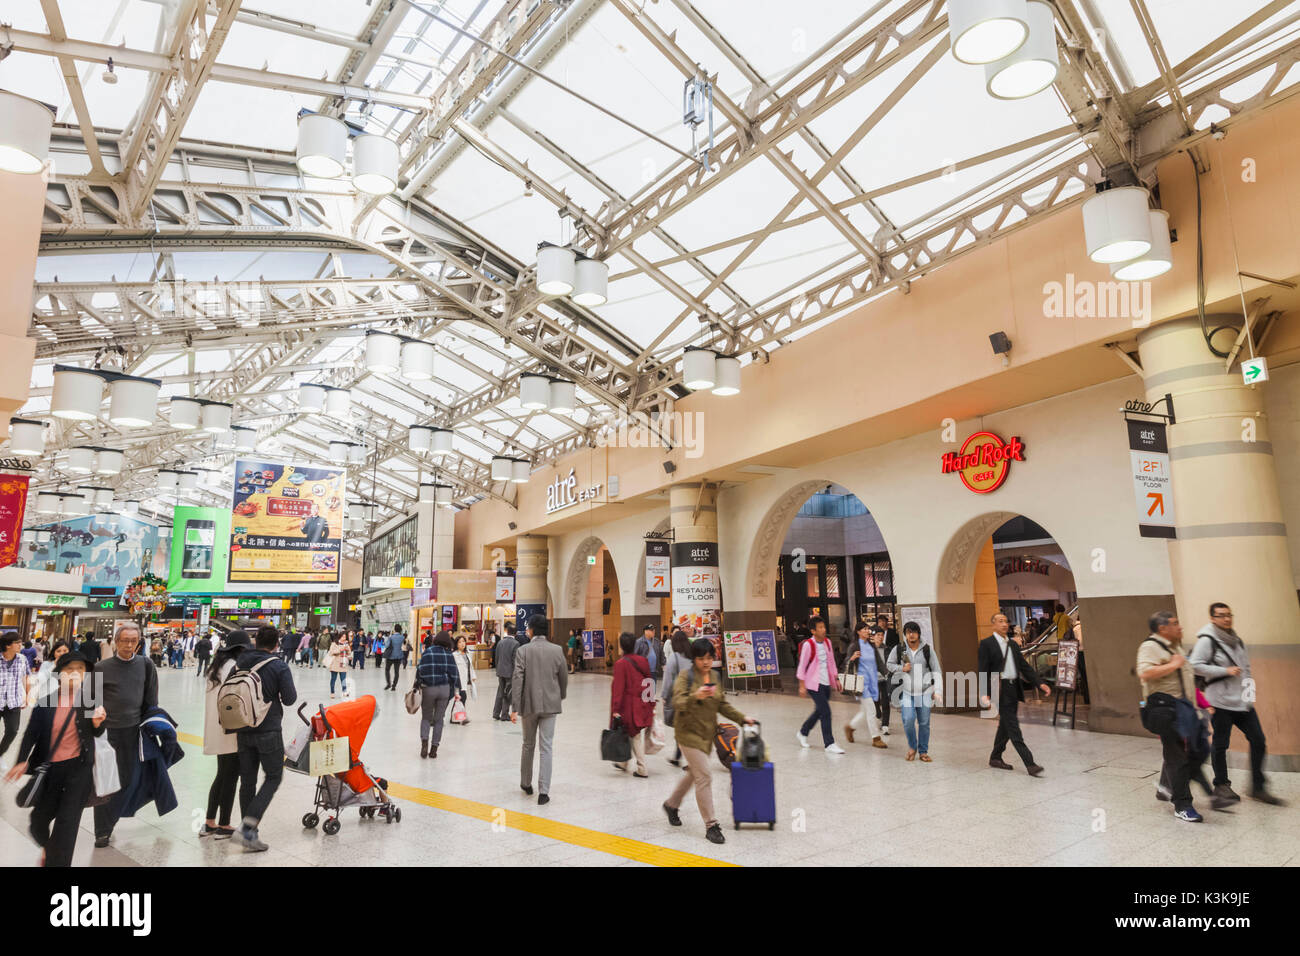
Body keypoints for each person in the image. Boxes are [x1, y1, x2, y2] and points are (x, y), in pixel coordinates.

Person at [4, 652, 107, 866]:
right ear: (59, 674)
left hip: (79, 771)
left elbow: (96, 732)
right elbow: (31, 733)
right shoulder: (46, 702)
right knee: (37, 822)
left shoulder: (89, 701)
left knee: (66, 827)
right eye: (70, 669)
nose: (75, 673)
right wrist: (22, 760)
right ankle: (49, 850)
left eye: (80, 669)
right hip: (50, 769)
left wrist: (99, 724)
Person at [1138, 611, 1230, 821]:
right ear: (1162, 628)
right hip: (1166, 711)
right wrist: (1174, 664)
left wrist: (1198, 706)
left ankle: (1170, 785)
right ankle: (1182, 805)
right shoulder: (1150, 646)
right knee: (1177, 756)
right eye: (1175, 623)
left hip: (1185, 710)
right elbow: (1145, 673)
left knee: (1201, 749)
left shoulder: (1175, 646)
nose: (1180, 627)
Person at [1189, 603, 1285, 806]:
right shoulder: (1207, 640)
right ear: (1212, 618)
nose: (1226, 619)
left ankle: (1258, 787)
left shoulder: (1236, 639)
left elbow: (1246, 669)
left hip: (1243, 702)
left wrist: (1249, 697)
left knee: (1258, 740)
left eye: (1229, 615)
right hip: (1221, 701)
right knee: (1221, 744)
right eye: (1221, 616)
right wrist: (1224, 671)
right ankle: (1222, 785)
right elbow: (1195, 666)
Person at [663, 638, 755, 845]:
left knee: (694, 775)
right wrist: (696, 695)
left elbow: (722, 704)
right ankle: (711, 825)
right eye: (701, 658)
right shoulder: (686, 676)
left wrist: (743, 719)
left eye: (709, 658)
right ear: (694, 659)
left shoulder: (714, 676)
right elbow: (677, 702)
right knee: (704, 775)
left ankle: (672, 804)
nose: (705, 662)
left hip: (707, 735)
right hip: (687, 734)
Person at [232, 625, 298, 852]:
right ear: (276, 644)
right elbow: (290, 699)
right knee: (273, 776)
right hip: (268, 729)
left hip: (242, 728)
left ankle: (249, 834)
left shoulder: (240, 662)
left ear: (256, 641)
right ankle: (248, 828)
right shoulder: (278, 666)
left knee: (247, 781)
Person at [93, 624, 159, 848]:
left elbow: (152, 700)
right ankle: (102, 831)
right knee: (106, 781)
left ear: (139, 643)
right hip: (107, 733)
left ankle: (111, 818)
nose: (129, 645)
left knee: (128, 780)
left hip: (134, 732)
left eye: (133, 641)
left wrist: (152, 727)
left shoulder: (146, 665)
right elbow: (88, 701)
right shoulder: (101, 667)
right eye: (125, 640)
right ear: (116, 642)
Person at [979, 612, 1049, 777]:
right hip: (999, 688)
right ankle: (1030, 764)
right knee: (1013, 725)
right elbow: (983, 670)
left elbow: (1024, 667)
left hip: (1013, 688)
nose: (1004, 624)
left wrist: (1040, 683)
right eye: (1000, 621)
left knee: (1006, 724)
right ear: (993, 625)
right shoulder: (986, 644)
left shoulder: (1012, 644)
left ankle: (995, 757)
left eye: (1006, 621)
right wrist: (984, 693)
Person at [510, 614, 567, 805]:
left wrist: (515, 707)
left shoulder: (523, 650)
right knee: (547, 746)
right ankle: (544, 791)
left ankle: (526, 783)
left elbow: (517, 679)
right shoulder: (557, 650)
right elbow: (563, 677)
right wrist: (560, 695)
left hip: (529, 705)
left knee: (528, 744)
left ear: (532, 630)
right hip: (550, 705)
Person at [200, 630, 249, 839]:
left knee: (221, 775)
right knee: (230, 776)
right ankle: (224, 824)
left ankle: (209, 822)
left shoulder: (216, 667)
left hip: (217, 728)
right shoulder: (233, 668)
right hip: (230, 728)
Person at [888, 622, 943, 762]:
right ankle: (912, 747)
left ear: (918, 633)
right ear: (905, 634)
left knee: (924, 723)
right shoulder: (900, 649)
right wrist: (901, 668)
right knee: (908, 720)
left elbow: (937, 670)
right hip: (906, 692)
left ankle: (923, 751)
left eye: (913, 632)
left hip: (924, 692)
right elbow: (889, 664)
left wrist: (937, 691)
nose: (911, 635)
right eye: (908, 632)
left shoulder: (927, 650)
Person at [795, 616, 844, 753]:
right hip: (813, 684)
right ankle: (829, 743)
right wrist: (802, 685)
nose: (823, 630)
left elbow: (832, 662)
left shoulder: (827, 642)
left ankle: (803, 732)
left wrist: (836, 678)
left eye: (824, 627)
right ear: (813, 631)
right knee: (826, 712)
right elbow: (802, 666)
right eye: (820, 628)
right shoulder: (808, 645)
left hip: (826, 682)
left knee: (819, 711)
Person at [610, 632, 655, 777]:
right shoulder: (643, 660)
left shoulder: (620, 664)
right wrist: (651, 701)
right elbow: (649, 681)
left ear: (621, 646)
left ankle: (642, 768)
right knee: (629, 732)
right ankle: (623, 762)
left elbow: (618, 689)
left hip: (629, 706)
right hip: (643, 703)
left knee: (634, 734)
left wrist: (616, 709)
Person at [415, 631, 462, 758]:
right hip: (444, 689)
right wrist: (457, 691)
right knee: (439, 719)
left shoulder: (428, 652)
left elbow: (420, 670)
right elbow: (455, 674)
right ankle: (434, 749)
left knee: (426, 717)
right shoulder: (449, 654)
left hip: (429, 689)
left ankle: (424, 744)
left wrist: (418, 684)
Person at [843, 622, 886, 750]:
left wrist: (888, 674)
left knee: (864, 711)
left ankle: (850, 727)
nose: (868, 631)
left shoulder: (871, 646)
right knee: (872, 710)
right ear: (858, 632)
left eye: (868, 629)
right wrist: (852, 658)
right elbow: (846, 662)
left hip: (873, 682)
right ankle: (876, 738)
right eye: (865, 629)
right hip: (862, 683)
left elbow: (879, 663)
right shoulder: (854, 646)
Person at [660, 630, 692, 767]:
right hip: (694, 696)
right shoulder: (692, 656)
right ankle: (677, 756)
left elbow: (668, 680)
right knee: (685, 728)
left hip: (679, 697)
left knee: (681, 729)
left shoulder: (675, 657)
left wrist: (664, 696)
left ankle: (689, 761)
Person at [1, 634, 33, 763]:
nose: (21, 645)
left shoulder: (22, 659)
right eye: (17, 642)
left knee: (12, 731)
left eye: (21, 642)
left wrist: (26, 696)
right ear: (8, 645)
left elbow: (26, 677)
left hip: (14, 701)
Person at [492, 625, 519, 721]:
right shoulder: (516, 643)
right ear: (516, 633)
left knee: (500, 692)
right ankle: (504, 714)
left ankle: (496, 713)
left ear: (507, 632)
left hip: (500, 671)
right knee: (508, 693)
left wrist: (498, 669)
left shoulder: (500, 642)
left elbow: (497, 657)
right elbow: (514, 660)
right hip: (510, 672)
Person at [452, 635, 475, 721]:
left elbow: (470, 666)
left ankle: (455, 717)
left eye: (463, 641)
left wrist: (473, 676)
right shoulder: (454, 655)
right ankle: (460, 717)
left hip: (465, 679)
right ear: (456, 644)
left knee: (459, 698)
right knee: (462, 697)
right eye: (460, 642)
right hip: (458, 679)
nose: (462, 644)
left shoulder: (468, 653)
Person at [633, 624, 659, 691]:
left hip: (654, 671)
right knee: (644, 690)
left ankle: (651, 700)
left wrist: (664, 663)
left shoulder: (656, 641)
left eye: (654, 630)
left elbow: (660, 653)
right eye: (651, 630)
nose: (653, 631)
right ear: (646, 631)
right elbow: (634, 656)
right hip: (643, 671)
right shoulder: (639, 642)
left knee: (653, 690)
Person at [326, 632, 350, 699]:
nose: (344, 638)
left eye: (345, 637)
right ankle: (332, 692)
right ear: (339, 637)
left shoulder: (346, 644)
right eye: (342, 637)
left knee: (343, 679)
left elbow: (349, 653)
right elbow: (331, 652)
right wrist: (340, 649)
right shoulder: (334, 643)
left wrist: (347, 649)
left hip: (343, 664)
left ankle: (344, 692)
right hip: (335, 664)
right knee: (333, 679)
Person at [383, 624, 405, 690]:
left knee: (387, 670)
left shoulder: (391, 637)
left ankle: (388, 684)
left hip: (390, 656)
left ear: (394, 629)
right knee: (396, 671)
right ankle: (394, 686)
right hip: (398, 656)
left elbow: (386, 646)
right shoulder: (402, 637)